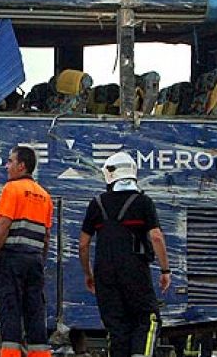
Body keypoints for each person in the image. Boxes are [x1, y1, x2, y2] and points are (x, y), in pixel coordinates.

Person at [78, 151, 171, 357]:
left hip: (105, 275)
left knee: (117, 328)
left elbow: (83, 245)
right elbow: (156, 237)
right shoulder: (143, 202)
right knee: (147, 319)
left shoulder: (97, 204)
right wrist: (165, 270)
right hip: (135, 272)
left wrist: (88, 274)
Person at [0, 146, 53, 357]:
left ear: (22, 166)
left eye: (10, 161)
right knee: (35, 311)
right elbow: (46, 236)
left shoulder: (11, 189)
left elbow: (3, 224)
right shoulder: (44, 195)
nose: (7, 166)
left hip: (13, 258)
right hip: (35, 260)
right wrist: (41, 260)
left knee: (10, 309)